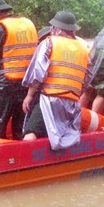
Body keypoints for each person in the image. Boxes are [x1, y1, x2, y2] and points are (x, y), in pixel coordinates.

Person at [22, 11, 89, 150]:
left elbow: (37, 73)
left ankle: (25, 159)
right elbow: (87, 79)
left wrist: (29, 96)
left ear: (56, 28)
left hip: (50, 100)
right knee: (63, 134)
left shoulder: (49, 43)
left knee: (30, 132)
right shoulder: (84, 49)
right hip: (72, 105)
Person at [0, 0, 38, 140]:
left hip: (5, 84)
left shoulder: (2, 28)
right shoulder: (28, 24)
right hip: (26, 84)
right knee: (20, 125)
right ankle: (19, 155)